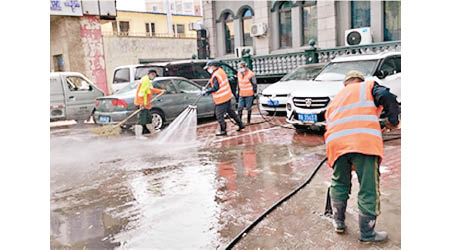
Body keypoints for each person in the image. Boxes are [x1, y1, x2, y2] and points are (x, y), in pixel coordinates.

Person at [322, 70, 400, 243]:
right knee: (368, 187)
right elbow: (388, 98)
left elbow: (336, 122)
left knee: (339, 182)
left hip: (336, 145)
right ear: (359, 80)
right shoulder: (368, 87)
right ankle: (367, 233)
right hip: (363, 144)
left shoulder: (336, 99)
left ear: (346, 83)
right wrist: (393, 121)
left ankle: (339, 223)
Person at [202, 60, 245, 136]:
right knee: (231, 112)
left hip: (221, 99)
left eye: (208, 68)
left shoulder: (216, 75)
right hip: (227, 96)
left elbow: (215, 87)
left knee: (219, 115)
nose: (208, 69)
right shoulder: (220, 71)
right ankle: (241, 124)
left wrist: (207, 91)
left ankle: (223, 130)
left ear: (213, 66)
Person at [134, 69, 165, 139]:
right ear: (150, 74)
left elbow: (151, 90)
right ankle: (138, 136)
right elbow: (141, 93)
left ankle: (153, 131)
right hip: (142, 104)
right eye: (154, 75)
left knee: (148, 119)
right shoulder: (145, 81)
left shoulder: (148, 81)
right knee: (141, 120)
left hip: (146, 104)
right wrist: (141, 104)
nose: (154, 77)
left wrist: (160, 91)